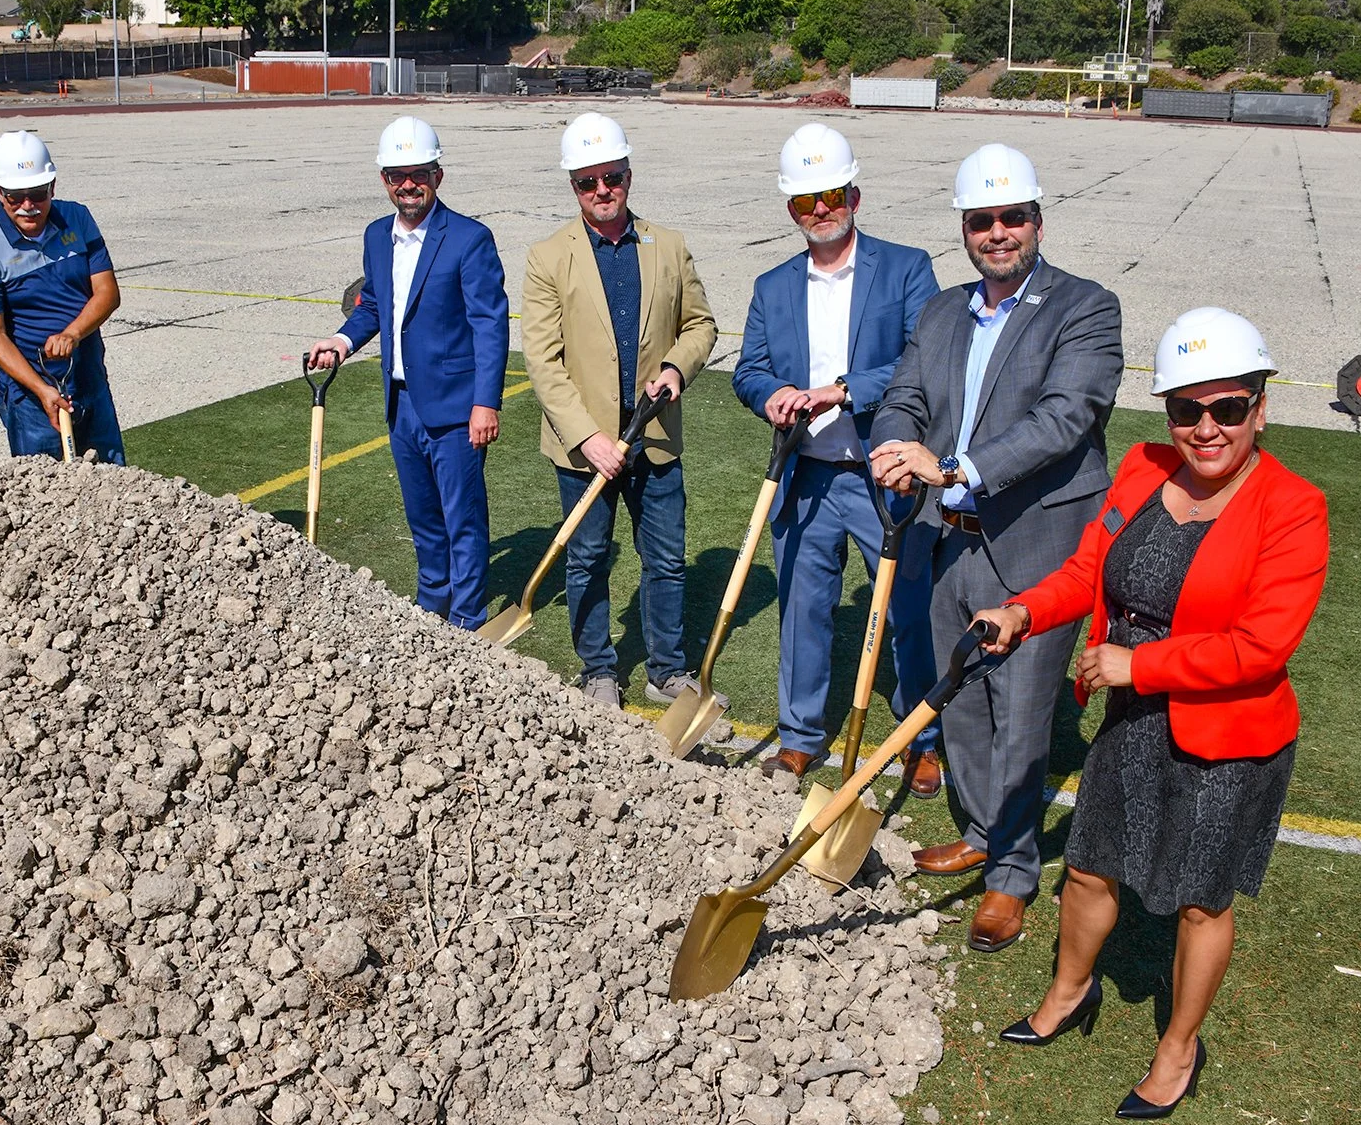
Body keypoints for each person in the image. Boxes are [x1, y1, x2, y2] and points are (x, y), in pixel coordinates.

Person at [976, 308, 1328, 1119]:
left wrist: (1142, 664)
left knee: (1200, 899)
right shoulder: (1142, 469)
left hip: (1227, 736)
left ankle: (1178, 1049)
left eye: (1227, 408)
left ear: (1260, 407)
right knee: (1093, 865)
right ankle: (1070, 992)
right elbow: (1087, 570)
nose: (1205, 428)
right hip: (1133, 722)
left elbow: (1260, 647)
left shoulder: (1293, 508)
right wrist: (1025, 611)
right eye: (1186, 409)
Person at [869, 143, 1123, 954]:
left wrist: (948, 467)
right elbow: (903, 396)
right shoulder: (943, 311)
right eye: (983, 221)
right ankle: (982, 832)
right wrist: (892, 445)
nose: (999, 233)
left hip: (1036, 544)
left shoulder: (1085, 307)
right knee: (963, 702)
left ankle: (1011, 876)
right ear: (965, 229)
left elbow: (1063, 419)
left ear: (1037, 222)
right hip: (955, 539)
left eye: (1013, 218)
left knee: (1019, 715)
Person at [731, 124, 943, 785]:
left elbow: (923, 357)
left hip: (885, 472)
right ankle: (800, 734)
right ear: (790, 210)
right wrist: (771, 396)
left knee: (909, 609)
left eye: (829, 195)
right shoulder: (772, 285)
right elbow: (749, 369)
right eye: (804, 202)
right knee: (803, 607)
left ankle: (921, 735)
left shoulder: (906, 267)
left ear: (854, 191)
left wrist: (845, 390)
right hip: (807, 475)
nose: (819, 210)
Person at [521, 113, 717, 708]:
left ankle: (666, 670)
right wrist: (587, 439)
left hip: (653, 439)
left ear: (628, 175)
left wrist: (678, 367)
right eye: (587, 182)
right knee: (585, 560)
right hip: (586, 451)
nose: (602, 190)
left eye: (612, 177)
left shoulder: (669, 245)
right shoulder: (549, 256)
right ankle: (598, 670)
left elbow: (700, 324)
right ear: (573, 186)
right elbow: (543, 361)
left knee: (665, 559)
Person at [307, 117, 510, 630]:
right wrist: (342, 339)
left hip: (456, 407)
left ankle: (466, 620)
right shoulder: (378, 236)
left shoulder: (469, 239)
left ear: (437, 175)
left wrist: (486, 402)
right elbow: (373, 304)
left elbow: (490, 325)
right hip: (402, 406)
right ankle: (431, 608)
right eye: (396, 176)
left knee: (462, 519)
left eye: (417, 173)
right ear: (384, 181)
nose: (407, 185)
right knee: (423, 517)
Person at [0, 130, 125, 464]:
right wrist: (41, 390)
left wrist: (72, 333)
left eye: (37, 194)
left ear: (52, 186)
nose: (28, 206)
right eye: (14, 197)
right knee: (46, 494)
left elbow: (107, 292)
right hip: (30, 395)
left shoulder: (77, 218)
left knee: (112, 484)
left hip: (87, 376)